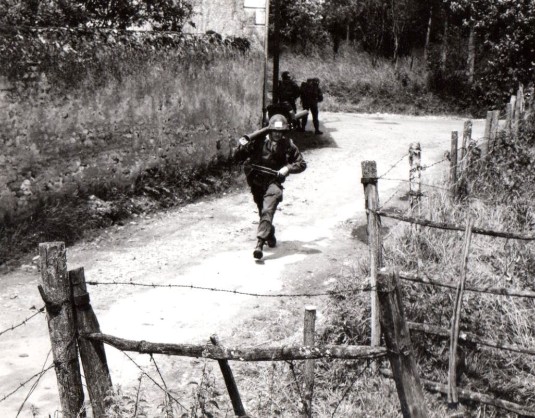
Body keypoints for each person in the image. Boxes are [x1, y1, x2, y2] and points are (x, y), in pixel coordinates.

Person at [233, 114, 307, 259]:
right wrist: (241, 147)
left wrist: (288, 168)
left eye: (280, 132)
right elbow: (238, 157)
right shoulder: (258, 141)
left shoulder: (288, 145)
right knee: (263, 211)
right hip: (256, 181)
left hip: (274, 182)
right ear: (269, 130)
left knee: (268, 209)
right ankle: (270, 234)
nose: (277, 134)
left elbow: (301, 164)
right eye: (274, 131)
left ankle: (259, 244)